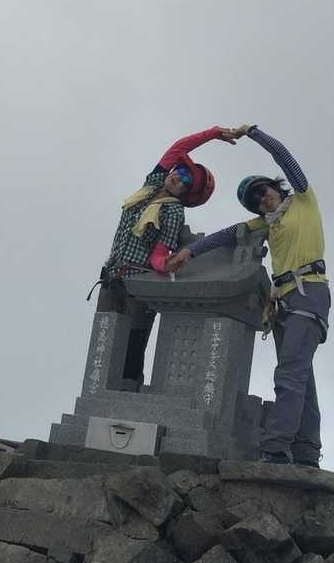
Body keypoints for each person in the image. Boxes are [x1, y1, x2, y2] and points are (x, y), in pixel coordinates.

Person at [167, 125, 329, 466]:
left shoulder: (303, 200)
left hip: (308, 292)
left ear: (274, 186)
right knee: (301, 377)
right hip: (282, 301)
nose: (262, 199)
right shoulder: (266, 223)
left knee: (289, 375)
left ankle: (275, 449)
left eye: (262, 190)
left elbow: (284, 157)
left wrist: (253, 132)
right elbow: (228, 235)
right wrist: (190, 252)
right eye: (254, 200)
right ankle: (306, 451)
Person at [99, 124, 250, 387]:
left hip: (138, 284)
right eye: (180, 172)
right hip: (111, 277)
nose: (178, 179)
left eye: (185, 182)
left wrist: (166, 264)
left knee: (132, 346)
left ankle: (128, 391)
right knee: (103, 342)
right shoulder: (149, 187)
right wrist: (214, 133)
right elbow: (179, 148)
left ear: (187, 194)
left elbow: (159, 252)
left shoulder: (173, 212)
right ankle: (99, 393)